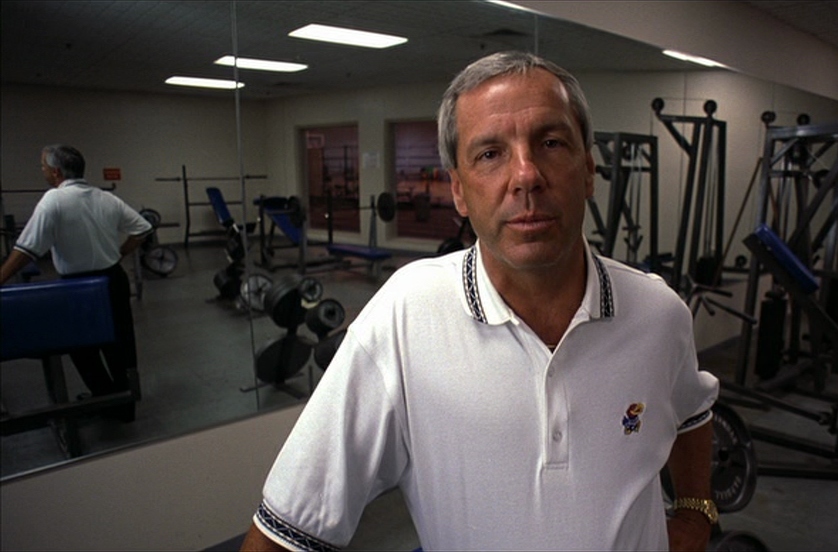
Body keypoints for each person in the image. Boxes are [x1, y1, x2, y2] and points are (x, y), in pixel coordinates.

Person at [241, 51, 719, 551]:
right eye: (490, 154)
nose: (526, 175)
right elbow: (284, 533)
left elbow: (692, 410)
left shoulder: (659, 313)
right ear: (459, 191)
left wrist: (694, 512)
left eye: (551, 142)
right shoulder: (404, 318)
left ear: (589, 170)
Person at [0, 144, 152, 422]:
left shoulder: (53, 200)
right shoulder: (106, 198)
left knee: (82, 347)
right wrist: (118, 253)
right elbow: (142, 229)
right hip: (112, 279)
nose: (43, 171)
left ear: (56, 172)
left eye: (44, 167)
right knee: (119, 342)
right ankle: (123, 404)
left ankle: (106, 398)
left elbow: (26, 251)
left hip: (79, 287)